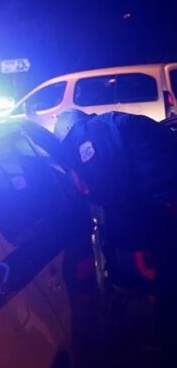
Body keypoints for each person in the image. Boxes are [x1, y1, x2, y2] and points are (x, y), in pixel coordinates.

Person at [54, 109, 177, 366]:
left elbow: (109, 189)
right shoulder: (108, 125)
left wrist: (126, 240)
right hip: (164, 203)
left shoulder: (85, 138)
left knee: (170, 289)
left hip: (166, 206)